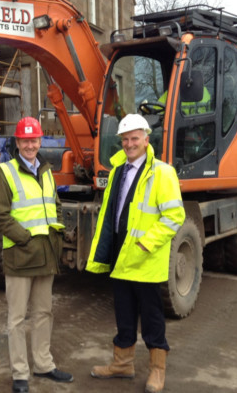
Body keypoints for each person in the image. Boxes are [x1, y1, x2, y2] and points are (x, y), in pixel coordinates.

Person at [85, 113, 185, 393]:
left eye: (134, 139)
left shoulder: (162, 172)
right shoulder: (118, 171)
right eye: (125, 140)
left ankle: (157, 370)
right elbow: (111, 214)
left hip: (146, 258)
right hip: (121, 255)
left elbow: (174, 216)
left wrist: (145, 244)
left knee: (152, 316)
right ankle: (123, 364)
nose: (129, 144)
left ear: (146, 138)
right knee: (124, 312)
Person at [0, 116, 73, 393]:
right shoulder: (5, 172)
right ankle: (20, 374)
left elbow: (55, 206)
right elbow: (0, 217)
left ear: (40, 141)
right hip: (20, 255)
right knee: (16, 318)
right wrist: (25, 239)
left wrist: (56, 236)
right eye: (25, 140)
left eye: (34, 139)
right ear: (17, 142)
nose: (30, 145)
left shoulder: (47, 171)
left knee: (43, 313)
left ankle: (43, 364)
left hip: (45, 255)